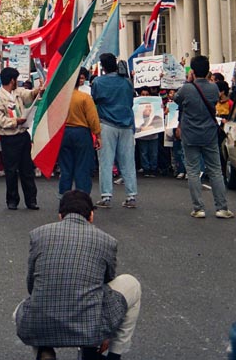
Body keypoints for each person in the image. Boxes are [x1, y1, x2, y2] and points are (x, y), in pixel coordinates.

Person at [14, 190, 141, 360]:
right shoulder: (107, 241)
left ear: (60, 216)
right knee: (131, 284)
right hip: (89, 327)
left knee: (21, 310)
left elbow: (31, 285)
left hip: (39, 325)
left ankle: (44, 350)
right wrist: (109, 332)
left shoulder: (38, 234)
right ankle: (111, 354)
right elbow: (107, 282)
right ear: (91, 216)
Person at [174, 55, 233, 219]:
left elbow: (176, 99)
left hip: (190, 133)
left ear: (192, 71)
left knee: (193, 171)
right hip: (209, 133)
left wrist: (188, 81)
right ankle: (222, 207)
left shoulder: (186, 88)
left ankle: (198, 208)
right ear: (208, 71)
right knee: (215, 171)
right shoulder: (214, 88)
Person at [0, 66, 43, 210]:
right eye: (16, 80)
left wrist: (37, 91)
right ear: (12, 80)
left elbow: (29, 95)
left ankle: (31, 200)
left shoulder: (18, 92)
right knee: (11, 170)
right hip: (9, 137)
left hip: (22, 135)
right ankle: (12, 200)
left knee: (27, 169)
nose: (17, 82)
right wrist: (14, 121)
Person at [91, 53, 138, 210]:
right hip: (126, 123)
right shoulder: (126, 82)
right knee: (128, 161)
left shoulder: (98, 82)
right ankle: (131, 195)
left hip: (107, 122)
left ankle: (106, 196)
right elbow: (131, 101)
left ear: (103, 66)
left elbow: (94, 100)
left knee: (106, 160)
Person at [59, 67, 102, 197]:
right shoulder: (85, 98)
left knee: (66, 168)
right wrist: (98, 135)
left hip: (64, 132)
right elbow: (93, 118)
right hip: (81, 132)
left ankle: (64, 196)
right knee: (82, 167)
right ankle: (82, 197)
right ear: (79, 81)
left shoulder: (60, 98)